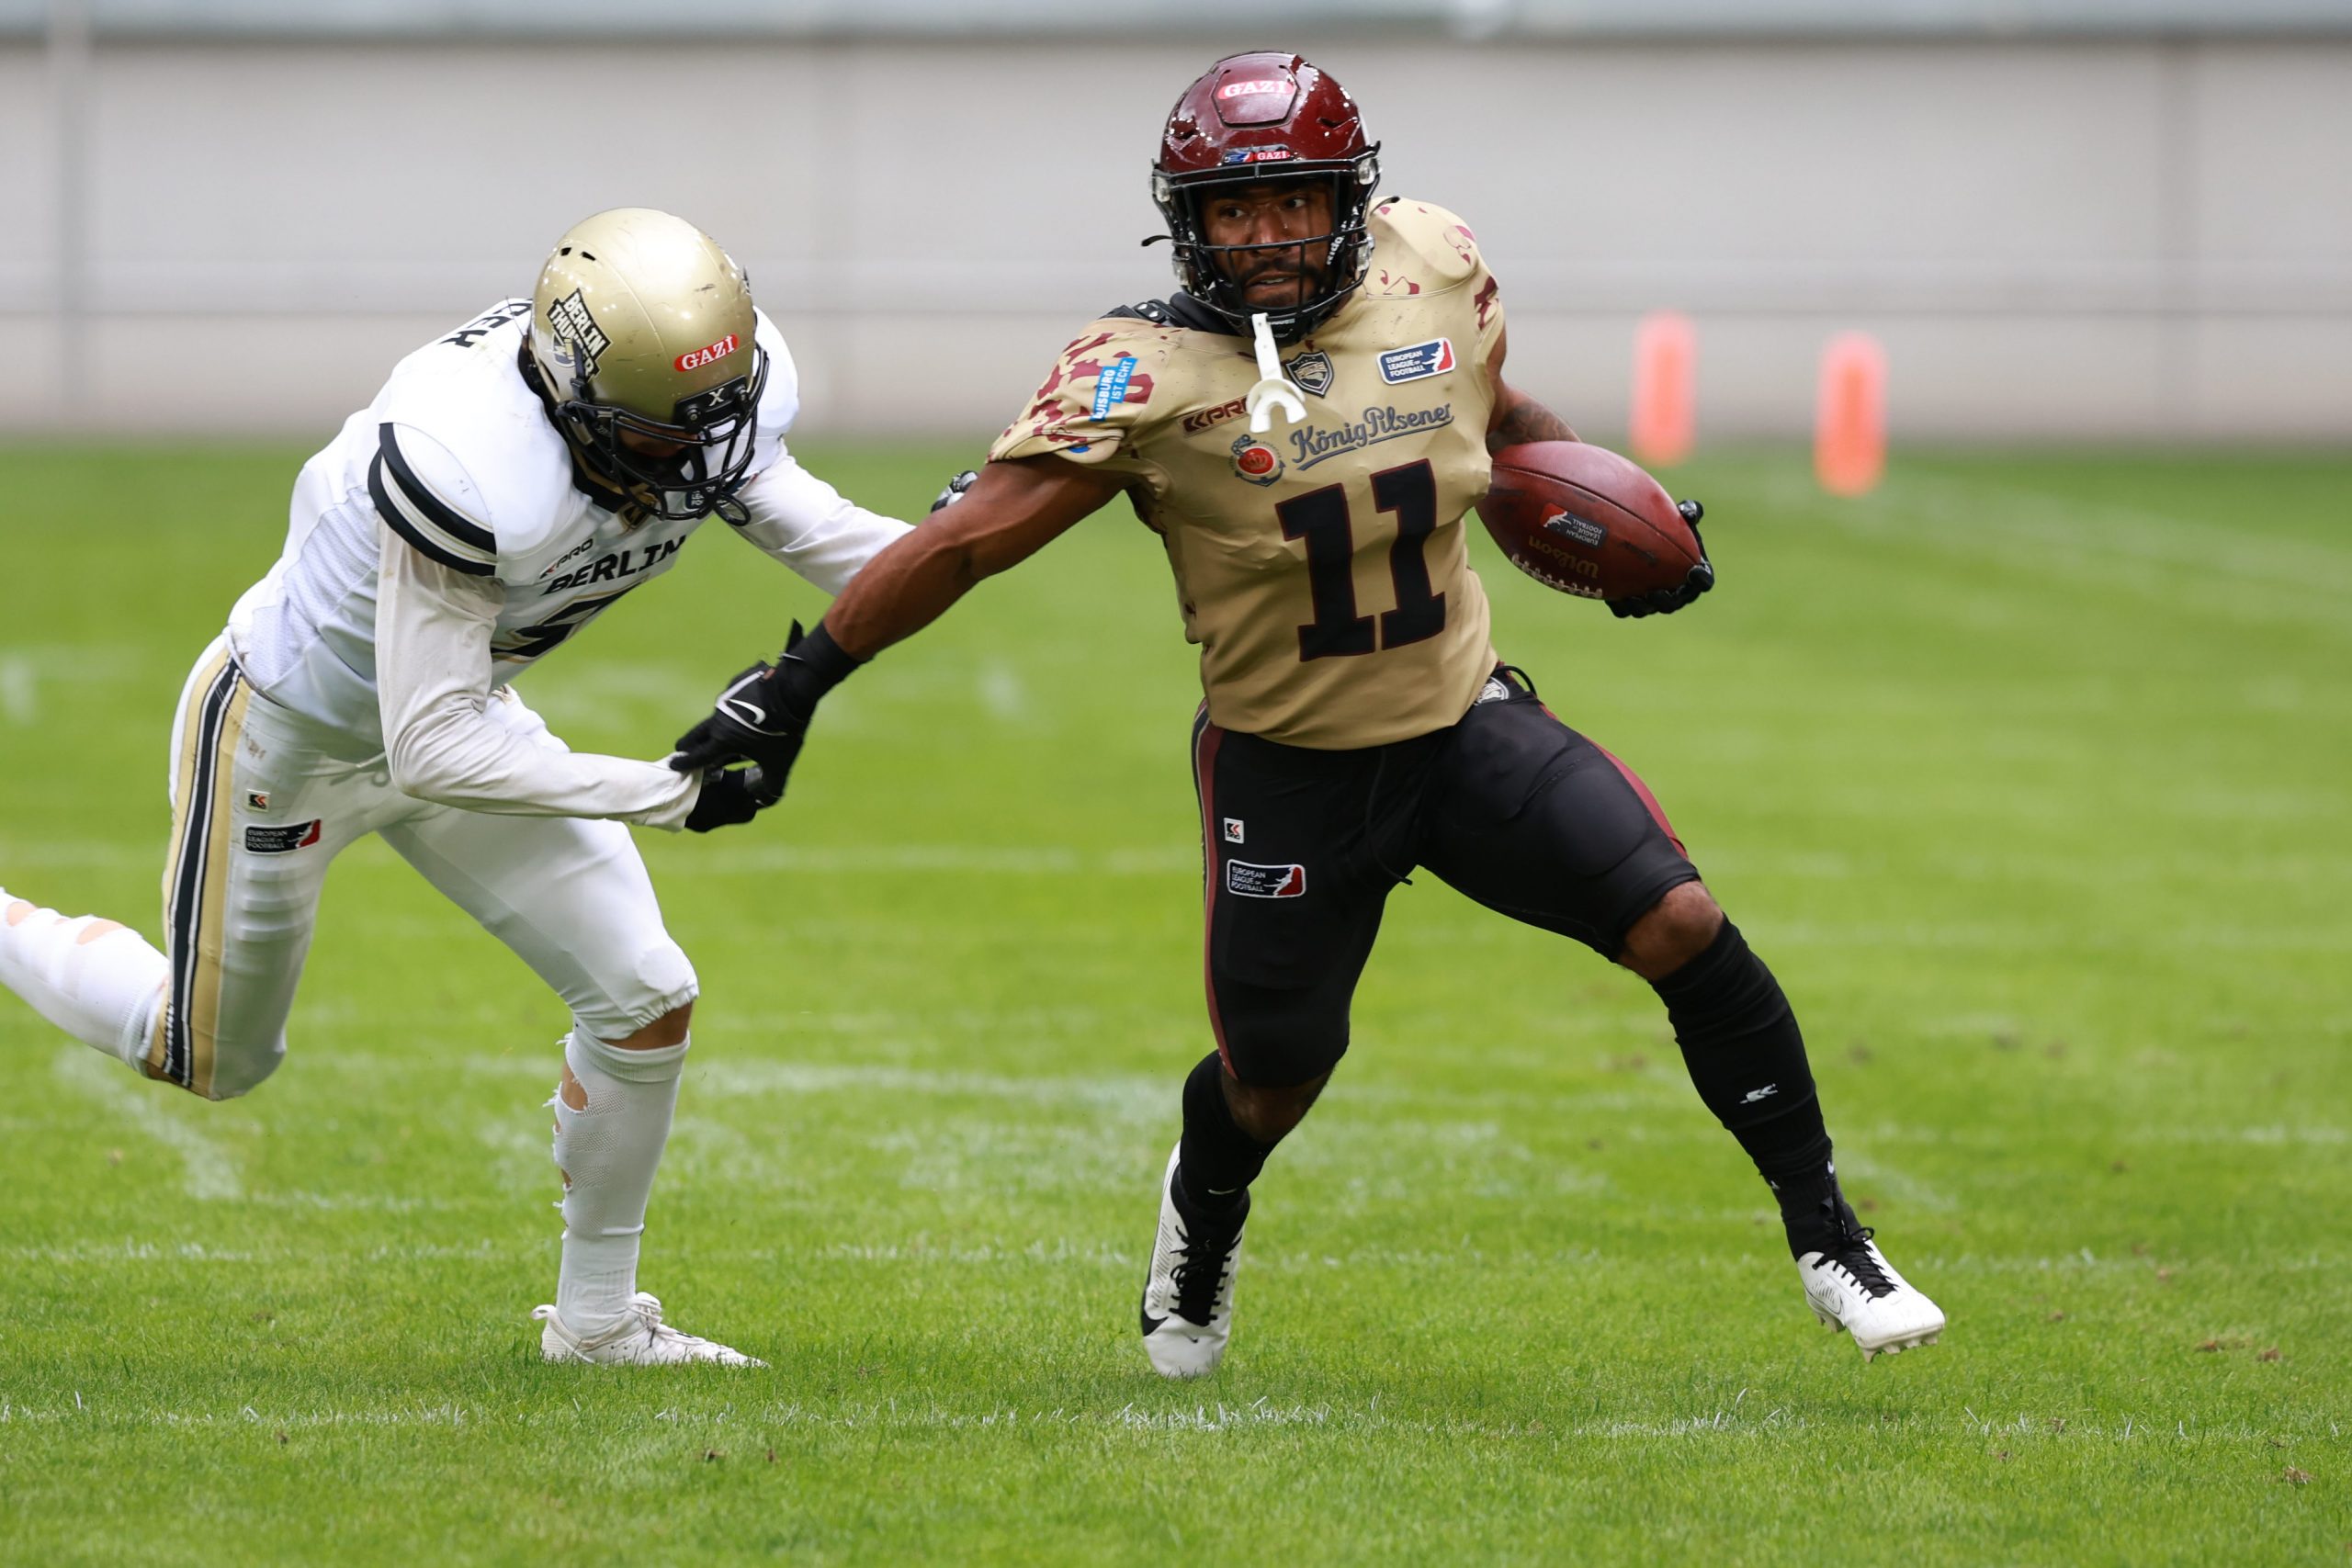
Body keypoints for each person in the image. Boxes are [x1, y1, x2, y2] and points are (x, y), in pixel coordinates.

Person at [670, 55, 1946, 1373]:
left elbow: (1498, 419)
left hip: (1461, 724)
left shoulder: (1433, 267)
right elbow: (969, 541)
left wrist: (1611, 521)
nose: (1267, 236)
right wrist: (801, 682)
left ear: (1351, 198)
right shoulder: (1143, 374)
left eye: (1295, 203)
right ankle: (1204, 1210)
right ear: (1189, 220)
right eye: (1234, 210)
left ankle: (1829, 1236)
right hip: (1286, 766)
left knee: (1679, 918)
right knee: (1273, 1076)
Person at [0, 208, 919, 1366]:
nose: (693, 460)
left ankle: (594, 1327)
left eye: (709, 426)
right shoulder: (468, 457)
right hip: (292, 739)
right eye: (654, 438)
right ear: (578, 396)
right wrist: (670, 789)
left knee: (645, 997)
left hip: (460, 710)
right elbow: (429, 746)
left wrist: (1010, 514)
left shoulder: (693, 402)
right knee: (213, 1059)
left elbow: (826, 535)